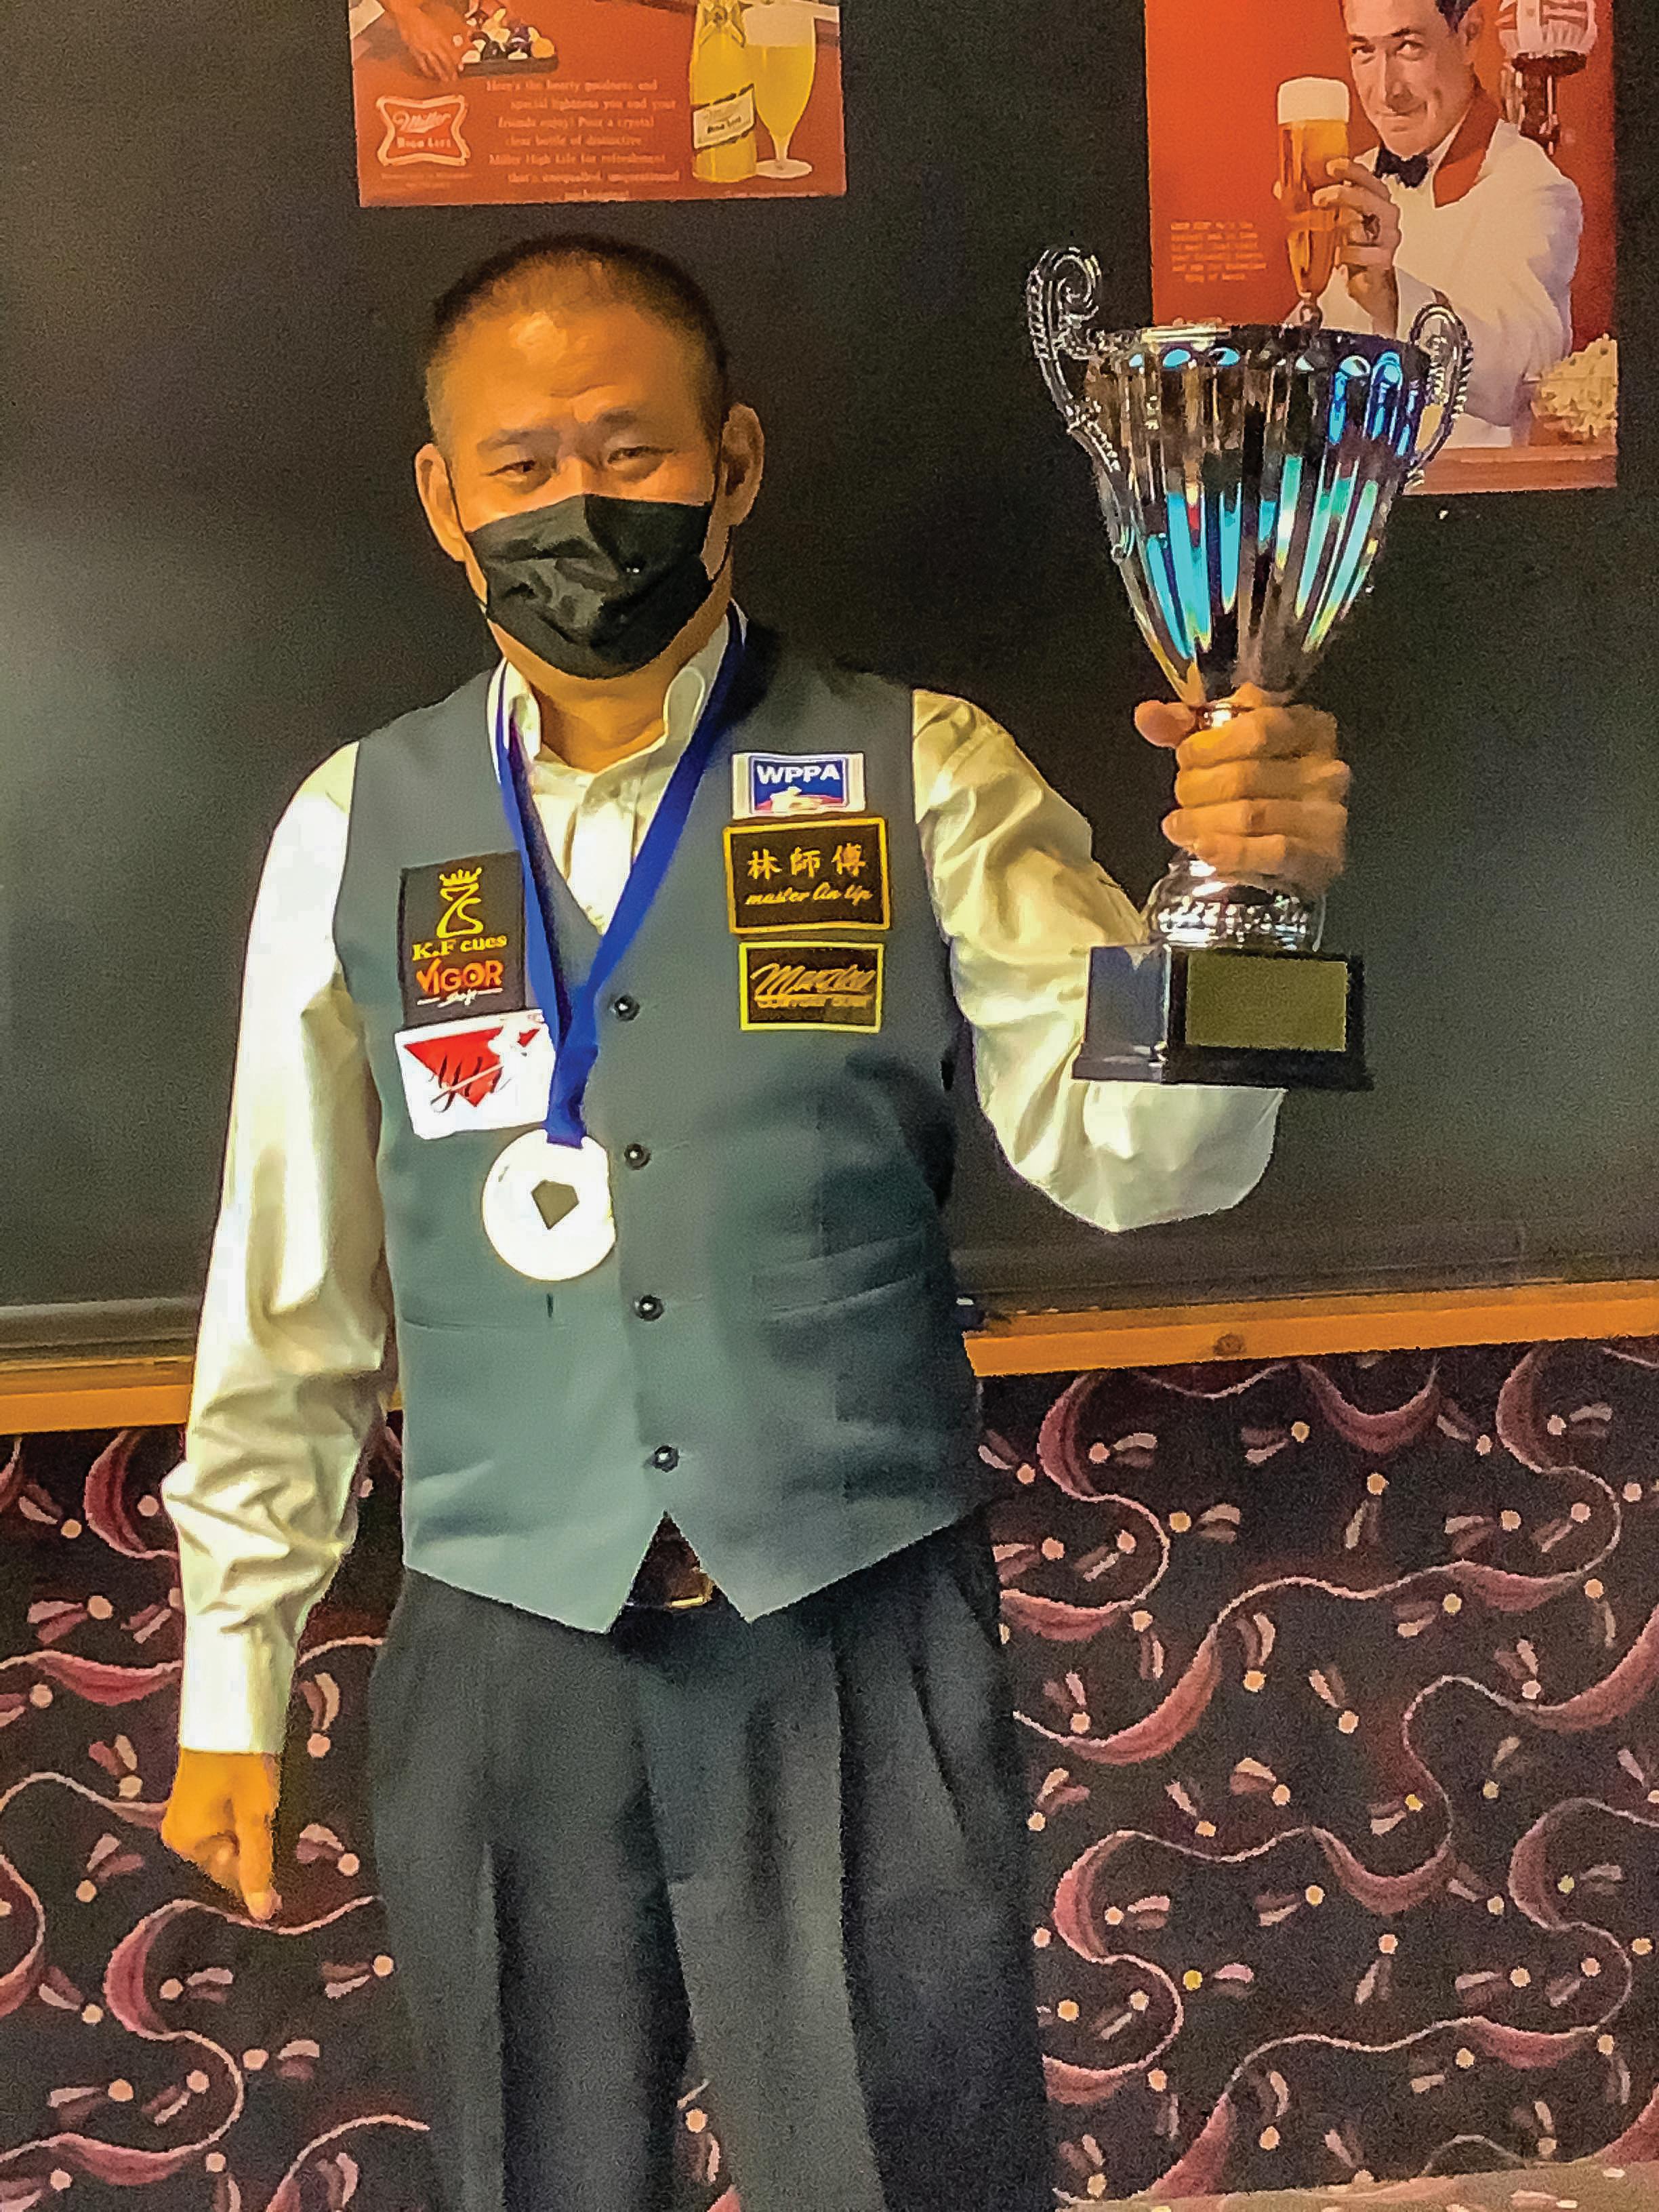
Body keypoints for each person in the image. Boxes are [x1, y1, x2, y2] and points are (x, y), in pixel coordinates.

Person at [158, 234, 1351, 2212]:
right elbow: (286, 1296)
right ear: (444, 499)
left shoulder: (924, 767)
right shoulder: (351, 826)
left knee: (903, 2169)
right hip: (507, 1645)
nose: (578, 502)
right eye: (522, 465)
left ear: (732, 464)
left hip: (849, 1623)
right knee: (537, 2171)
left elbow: (1146, 1163)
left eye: (627, 451)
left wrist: (1256, 911)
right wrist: (234, 1679)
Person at [1316, 0, 1582, 443]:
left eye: (1408, 47)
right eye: (1363, 51)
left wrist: (1392, 297)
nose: (1385, 92)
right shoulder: (1358, 177)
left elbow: (1517, 375)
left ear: (1469, 37)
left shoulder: (1532, 186)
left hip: (1464, 485)